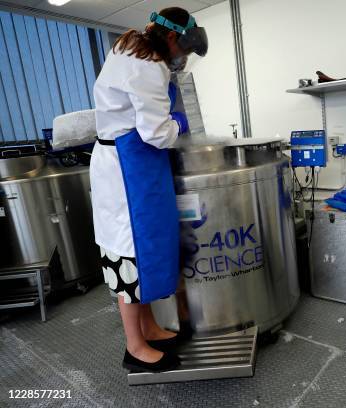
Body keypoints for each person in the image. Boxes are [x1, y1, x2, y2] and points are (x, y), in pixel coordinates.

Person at [90, 7, 208, 372]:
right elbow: (155, 133)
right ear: (171, 37)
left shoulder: (131, 46)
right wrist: (178, 122)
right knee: (132, 254)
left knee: (145, 250)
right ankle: (135, 348)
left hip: (131, 161)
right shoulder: (149, 65)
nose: (180, 58)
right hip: (129, 167)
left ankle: (150, 327)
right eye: (183, 49)